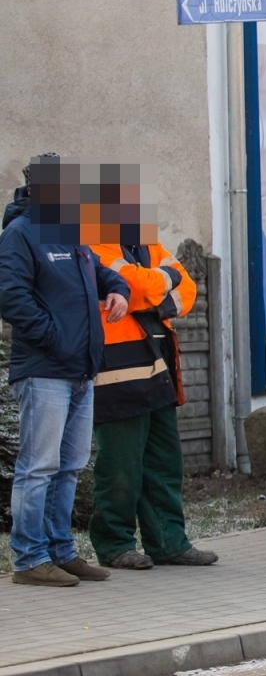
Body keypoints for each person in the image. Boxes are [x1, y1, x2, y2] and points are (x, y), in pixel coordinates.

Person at [0, 155, 129, 587]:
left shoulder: (70, 236)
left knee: (69, 465)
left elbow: (100, 272)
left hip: (79, 371)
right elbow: (11, 297)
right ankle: (29, 559)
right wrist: (56, 338)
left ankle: (61, 551)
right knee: (38, 467)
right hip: (44, 371)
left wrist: (118, 289)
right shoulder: (20, 234)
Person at [87, 169, 214, 569]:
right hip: (118, 366)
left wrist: (152, 290)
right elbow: (134, 286)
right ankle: (114, 545)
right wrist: (161, 284)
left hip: (158, 365)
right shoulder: (94, 242)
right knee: (121, 462)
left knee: (164, 461)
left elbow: (187, 288)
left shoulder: (147, 243)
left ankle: (169, 542)